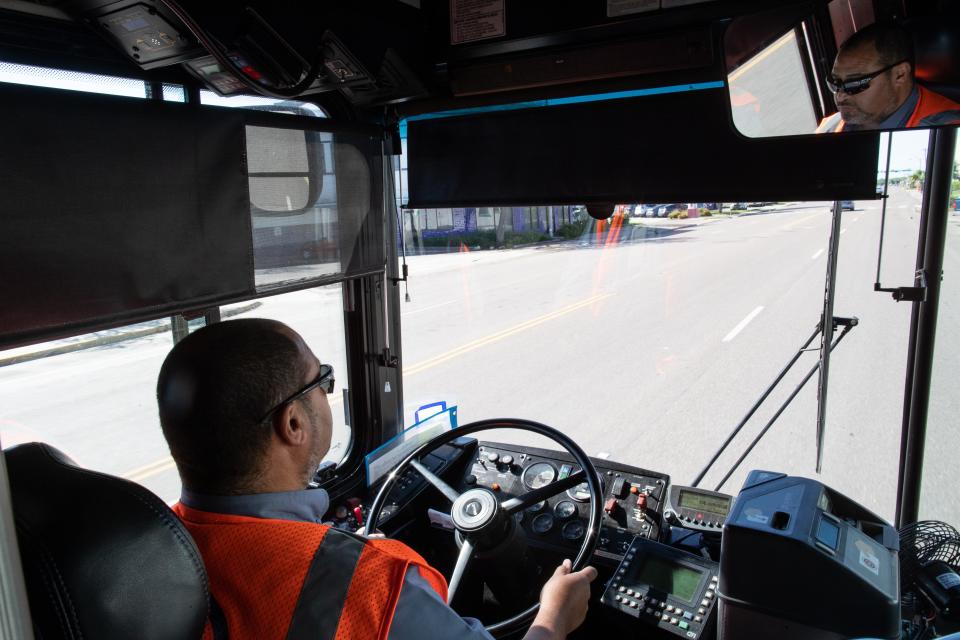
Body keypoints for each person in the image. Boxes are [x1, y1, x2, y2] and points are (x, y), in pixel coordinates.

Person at [156, 318, 597, 640]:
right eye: (323, 382)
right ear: (292, 424)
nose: (328, 394)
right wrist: (554, 617)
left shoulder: (150, 552)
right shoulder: (369, 583)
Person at [816, 22, 960, 132]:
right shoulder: (831, 125)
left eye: (855, 84)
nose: (840, 96)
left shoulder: (947, 132)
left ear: (900, 74)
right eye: (834, 83)